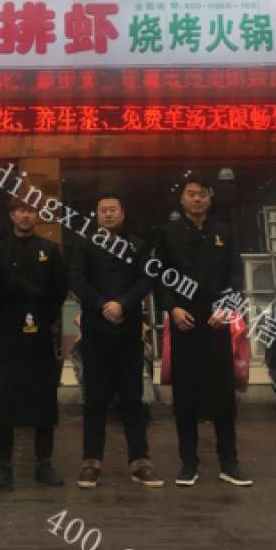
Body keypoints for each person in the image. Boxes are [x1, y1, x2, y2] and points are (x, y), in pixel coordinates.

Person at [153, 174, 252, 487]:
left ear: (210, 198)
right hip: (184, 320)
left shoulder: (223, 232)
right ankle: (188, 464)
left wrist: (226, 308)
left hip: (217, 320)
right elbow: (159, 276)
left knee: (223, 395)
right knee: (185, 395)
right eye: (191, 193)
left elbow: (235, 275)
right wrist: (172, 308)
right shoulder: (167, 233)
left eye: (202, 194)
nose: (197, 199)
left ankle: (229, 463)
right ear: (182, 199)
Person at [69, 195, 163, 488]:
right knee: (94, 399)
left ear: (122, 214)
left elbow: (146, 280)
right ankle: (91, 462)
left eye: (113, 210)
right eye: (103, 210)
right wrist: (101, 305)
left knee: (133, 399)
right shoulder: (84, 244)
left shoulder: (138, 245)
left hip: (128, 331)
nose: (108, 214)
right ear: (96, 215)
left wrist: (123, 304)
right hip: (96, 332)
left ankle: (140, 461)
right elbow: (77, 280)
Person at [0, 200, 69, 489]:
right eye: (21, 211)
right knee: (5, 396)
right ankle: (3, 463)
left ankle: (44, 462)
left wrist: (45, 317)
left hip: (40, 330)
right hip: (8, 329)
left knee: (43, 396)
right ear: (12, 215)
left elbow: (59, 289)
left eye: (31, 211)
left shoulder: (50, 250)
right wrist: (4, 319)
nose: (26, 216)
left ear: (37, 216)